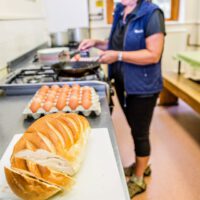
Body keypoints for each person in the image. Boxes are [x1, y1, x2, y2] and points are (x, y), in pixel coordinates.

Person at [79, 0, 165, 198]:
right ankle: (141, 163)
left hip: (143, 86)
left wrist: (117, 56)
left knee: (140, 132)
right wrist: (96, 43)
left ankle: (139, 178)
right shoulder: (121, 10)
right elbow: (118, 44)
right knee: (135, 126)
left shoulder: (152, 14)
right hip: (122, 81)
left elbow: (153, 54)